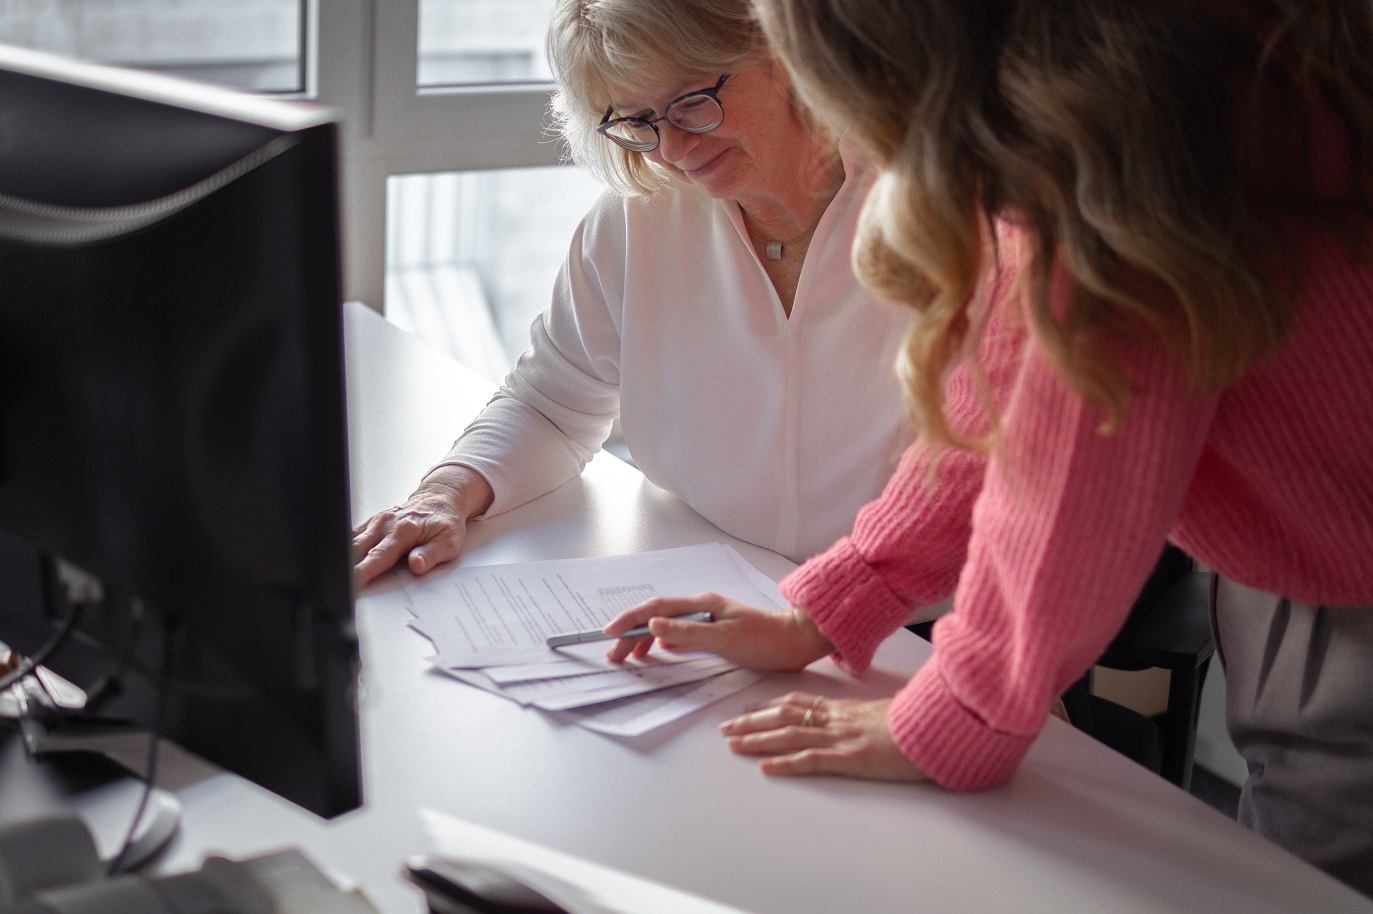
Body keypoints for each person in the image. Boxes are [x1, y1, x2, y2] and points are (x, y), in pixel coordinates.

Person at [604, 0, 1373, 893]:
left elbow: (1071, 473)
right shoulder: (1102, 76)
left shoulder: (1120, 127)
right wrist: (836, 602)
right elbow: (1004, 398)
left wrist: (958, 711)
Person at [352, 0, 917, 586]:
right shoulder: (637, 221)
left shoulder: (940, 210)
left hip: (908, 619)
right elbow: (550, 405)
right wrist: (443, 494)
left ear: (785, 53)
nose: (671, 151)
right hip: (700, 582)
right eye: (638, 121)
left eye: (693, 103)